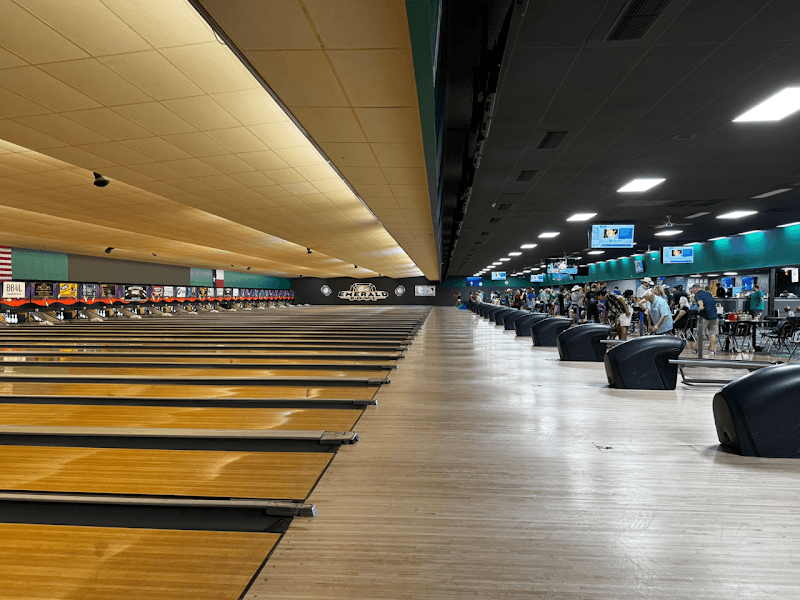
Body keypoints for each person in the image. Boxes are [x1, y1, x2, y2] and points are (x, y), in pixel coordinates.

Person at [692, 283, 718, 355]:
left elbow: (700, 301)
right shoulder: (708, 293)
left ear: (695, 289)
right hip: (714, 316)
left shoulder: (697, 294)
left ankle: (696, 350)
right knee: (713, 333)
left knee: (700, 334)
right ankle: (712, 351)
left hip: (704, 317)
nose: (692, 292)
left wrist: (701, 306)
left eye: (692, 290)